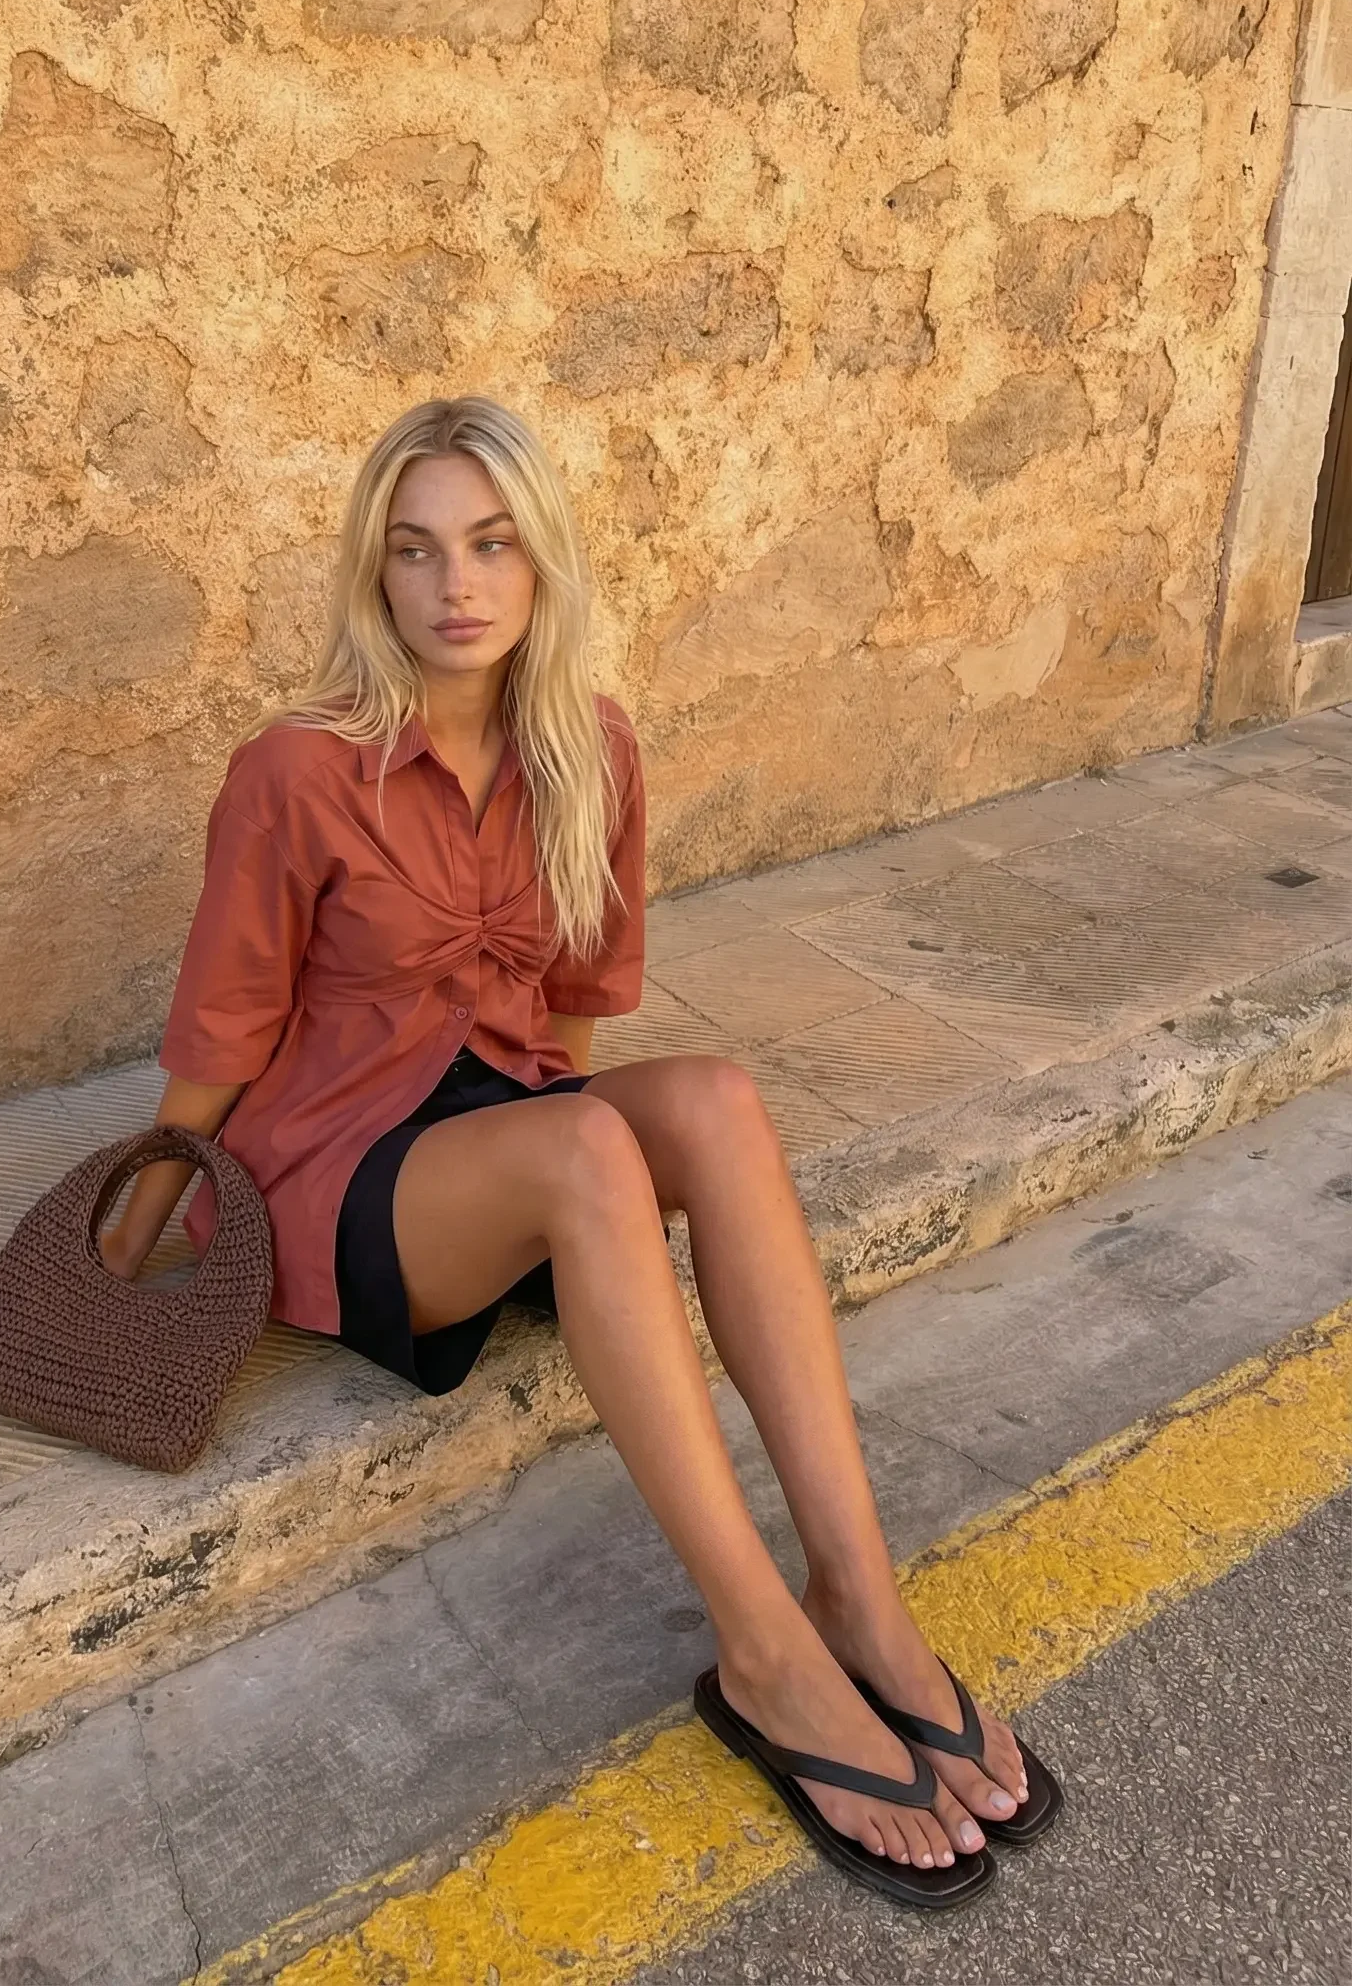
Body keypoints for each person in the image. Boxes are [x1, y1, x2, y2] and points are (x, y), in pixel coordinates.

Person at [98, 396, 1059, 1907]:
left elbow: (573, 1015)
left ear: (542, 560)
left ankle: (860, 1602)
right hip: (335, 1167)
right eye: (416, 549)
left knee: (717, 1102)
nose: (455, 585)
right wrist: (122, 1239)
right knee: (585, 1157)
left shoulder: (590, 749)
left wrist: (577, 1208)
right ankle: (765, 1657)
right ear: (374, 572)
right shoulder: (297, 770)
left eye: (491, 544)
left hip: (499, 1134)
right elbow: (222, 1032)